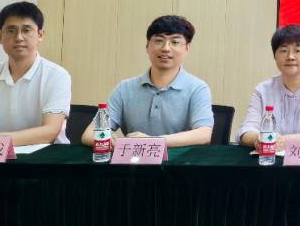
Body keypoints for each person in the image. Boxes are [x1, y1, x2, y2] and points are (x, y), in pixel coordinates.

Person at [81, 15, 213, 147]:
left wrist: (154, 141)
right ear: (147, 46)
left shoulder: (197, 88)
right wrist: (107, 139)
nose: (166, 48)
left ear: (187, 48)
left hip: (180, 159)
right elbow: (89, 134)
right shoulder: (125, 88)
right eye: (159, 40)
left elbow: (204, 134)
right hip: (134, 159)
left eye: (175, 42)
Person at [0, 1, 70, 144]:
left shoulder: (57, 76)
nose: (19, 37)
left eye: (26, 30)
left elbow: (50, 131)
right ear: (0, 37)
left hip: (48, 155)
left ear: (40, 35)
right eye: (11, 30)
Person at [238, 24, 300, 149]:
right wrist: (258, 138)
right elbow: (245, 131)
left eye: (298, 51)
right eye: (283, 50)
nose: (290, 56)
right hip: (270, 158)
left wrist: (283, 141)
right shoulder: (262, 90)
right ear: (275, 56)